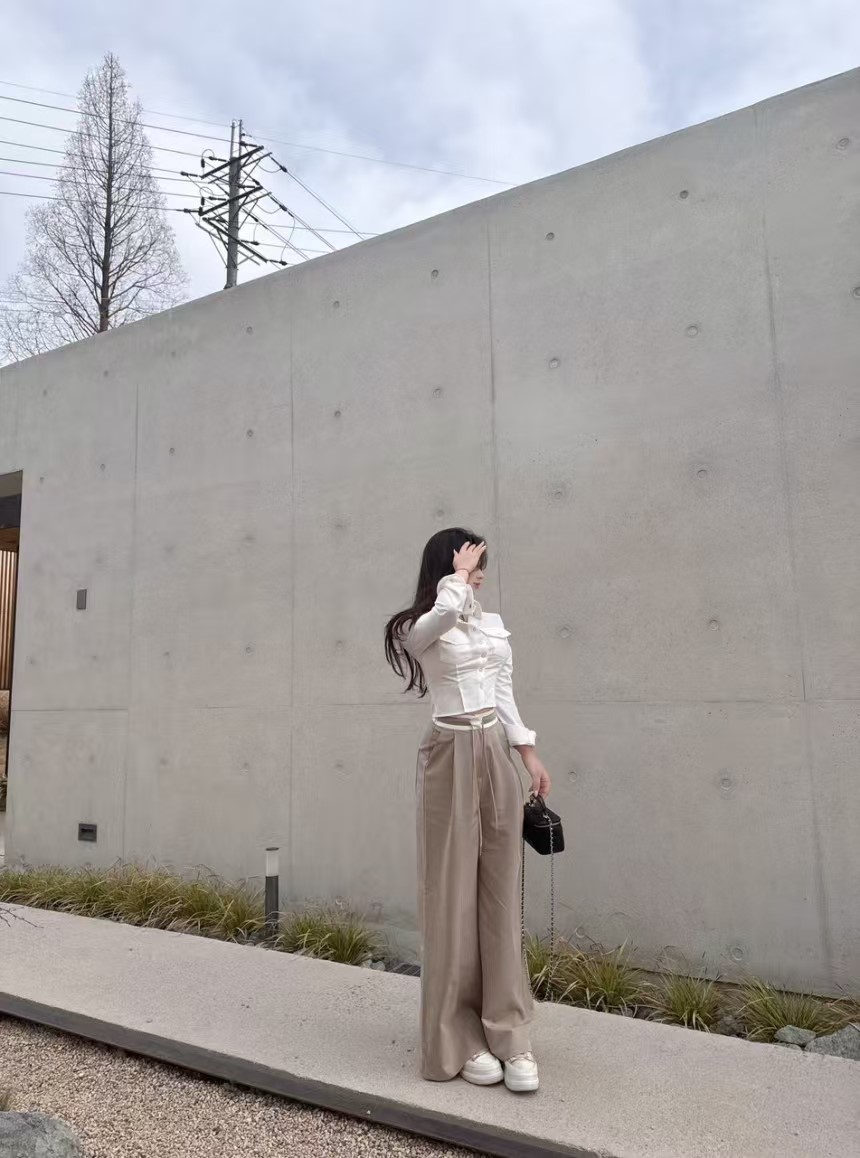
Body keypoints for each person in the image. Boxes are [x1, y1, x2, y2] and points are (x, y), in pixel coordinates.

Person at [384, 528, 551, 1093]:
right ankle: (457, 1036)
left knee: (501, 895)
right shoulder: (420, 625)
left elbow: (503, 692)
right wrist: (453, 581)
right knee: (450, 895)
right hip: (448, 752)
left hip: (494, 752)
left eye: (481, 565)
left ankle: (510, 1032)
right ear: (448, 565)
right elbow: (432, 627)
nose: (480, 574)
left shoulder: (491, 624)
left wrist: (527, 753)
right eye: (472, 563)